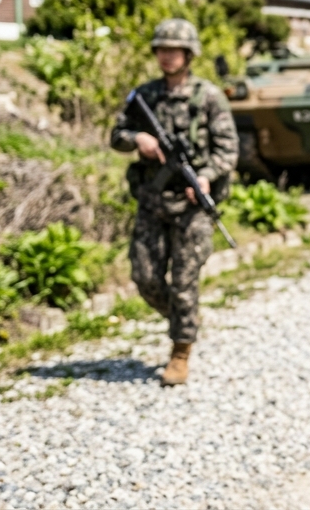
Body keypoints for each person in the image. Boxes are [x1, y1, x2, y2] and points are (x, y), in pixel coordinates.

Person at [110, 19, 238, 386]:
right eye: (161, 49)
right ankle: (185, 318)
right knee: (145, 276)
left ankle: (180, 351)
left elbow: (228, 150)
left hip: (191, 207)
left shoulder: (208, 97)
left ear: (188, 54)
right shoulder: (144, 96)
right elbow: (116, 136)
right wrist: (138, 139)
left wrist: (206, 175)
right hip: (152, 201)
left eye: (174, 50)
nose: (167, 56)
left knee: (184, 282)